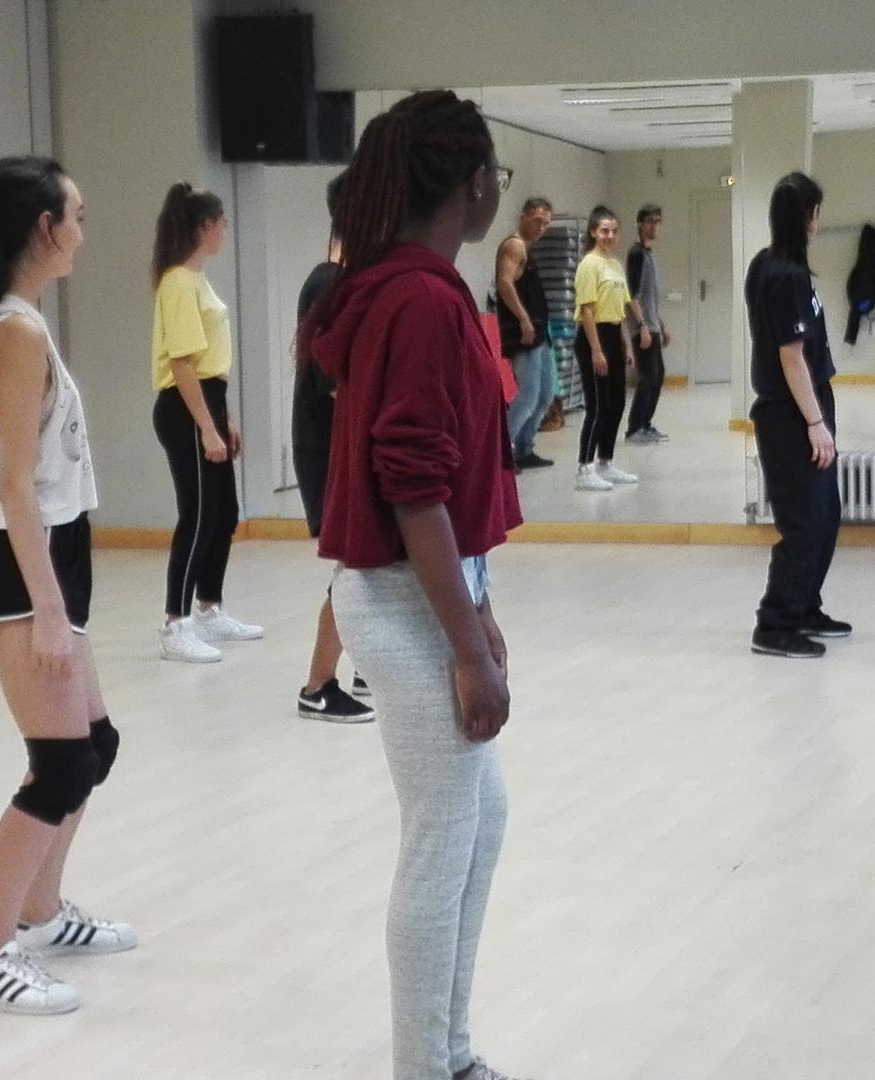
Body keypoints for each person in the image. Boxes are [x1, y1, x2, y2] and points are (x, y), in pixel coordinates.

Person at [300, 89, 528, 1080]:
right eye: (496, 174)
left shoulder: (411, 287)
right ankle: (425, 1066)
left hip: (427, 593)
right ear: (473, 185)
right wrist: (468, 648)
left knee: (481, 821)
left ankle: (450, 1051)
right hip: (401, 604)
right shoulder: (421, 300)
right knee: (442, 839)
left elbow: (439, 486)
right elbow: (413, 488)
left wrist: (481, 608)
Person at [0, 155, 134, 1015]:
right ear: (45, 229)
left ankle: (41, 914)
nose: (83, 231)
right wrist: (50, 611)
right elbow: (14, 486)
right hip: (16, 567)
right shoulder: (14, 332)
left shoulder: (22, 323)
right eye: (76, 215)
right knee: (59, 767)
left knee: (95, 746)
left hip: (50, 555)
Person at [150, 182, 263, 663]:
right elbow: (182, 364)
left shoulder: (198, 279)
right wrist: (206, 426)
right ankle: (175, 623)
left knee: (224, 513)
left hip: (208, 400)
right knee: (197, 515)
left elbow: (210, 363)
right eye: (222, 223)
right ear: (205, 227)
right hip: (184, 406)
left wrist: (224, 417)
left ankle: (209, 608)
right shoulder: (178, 281)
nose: (225, 230)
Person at [746, 173, 847, 660]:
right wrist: (815, 423)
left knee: (826, 515)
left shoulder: (772, 266)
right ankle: (775, 623)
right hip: (790, 413)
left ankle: (805, 606)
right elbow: (791, 356)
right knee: (806, 522)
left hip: (805, 403)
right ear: (809, 216)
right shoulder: (784, 274)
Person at [293, 171, 374, 723]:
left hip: (343, 451)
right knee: (355, 569)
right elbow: (336, 380)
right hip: (329, 453)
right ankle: (318, 686)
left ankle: (365, 662)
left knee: (371, 566)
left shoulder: (346, 282)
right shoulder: (328, 283)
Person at [573, 206, 637, 492]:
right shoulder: (589, 264)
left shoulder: (615, 265)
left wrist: (626, 345)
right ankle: (584, 468)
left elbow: (620, 310)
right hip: (593, 336)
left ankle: (605, 462)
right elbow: (587, 311)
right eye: (604, 231)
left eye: (613, 231)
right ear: (593, 232)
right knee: (597, 407)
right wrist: (596, 351)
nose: (609, 236)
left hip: (613, 335)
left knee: (616, 404)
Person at [493, 196, 557, 470]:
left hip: (540, 334)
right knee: (528, 396)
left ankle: (524, 449)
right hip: (524, 334)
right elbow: (504, 283)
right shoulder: (515, 245)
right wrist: (523, 320)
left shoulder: (527, 249)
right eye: (537, 220)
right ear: (523, 217)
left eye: (546, 223)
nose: (541, 227)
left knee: (545, 395)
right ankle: (499, 453)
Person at [624, 203, 673, 444]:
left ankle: (645, 424)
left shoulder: (649, 254)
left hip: (652, 325)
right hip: (642, 328)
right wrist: (642, 326)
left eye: (657, 222)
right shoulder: (636, 255)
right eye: (650, 222)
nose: (654, 226)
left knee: (658, 376)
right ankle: (634, 429)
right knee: (647, 377)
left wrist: (661, 325)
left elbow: (650, 298)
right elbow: (632, 296)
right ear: (640, 225)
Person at [843, 223, 875, 347]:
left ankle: (850, 340)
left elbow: (850, 287)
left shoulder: (859, 267)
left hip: (860, 305)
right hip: (869, 304)